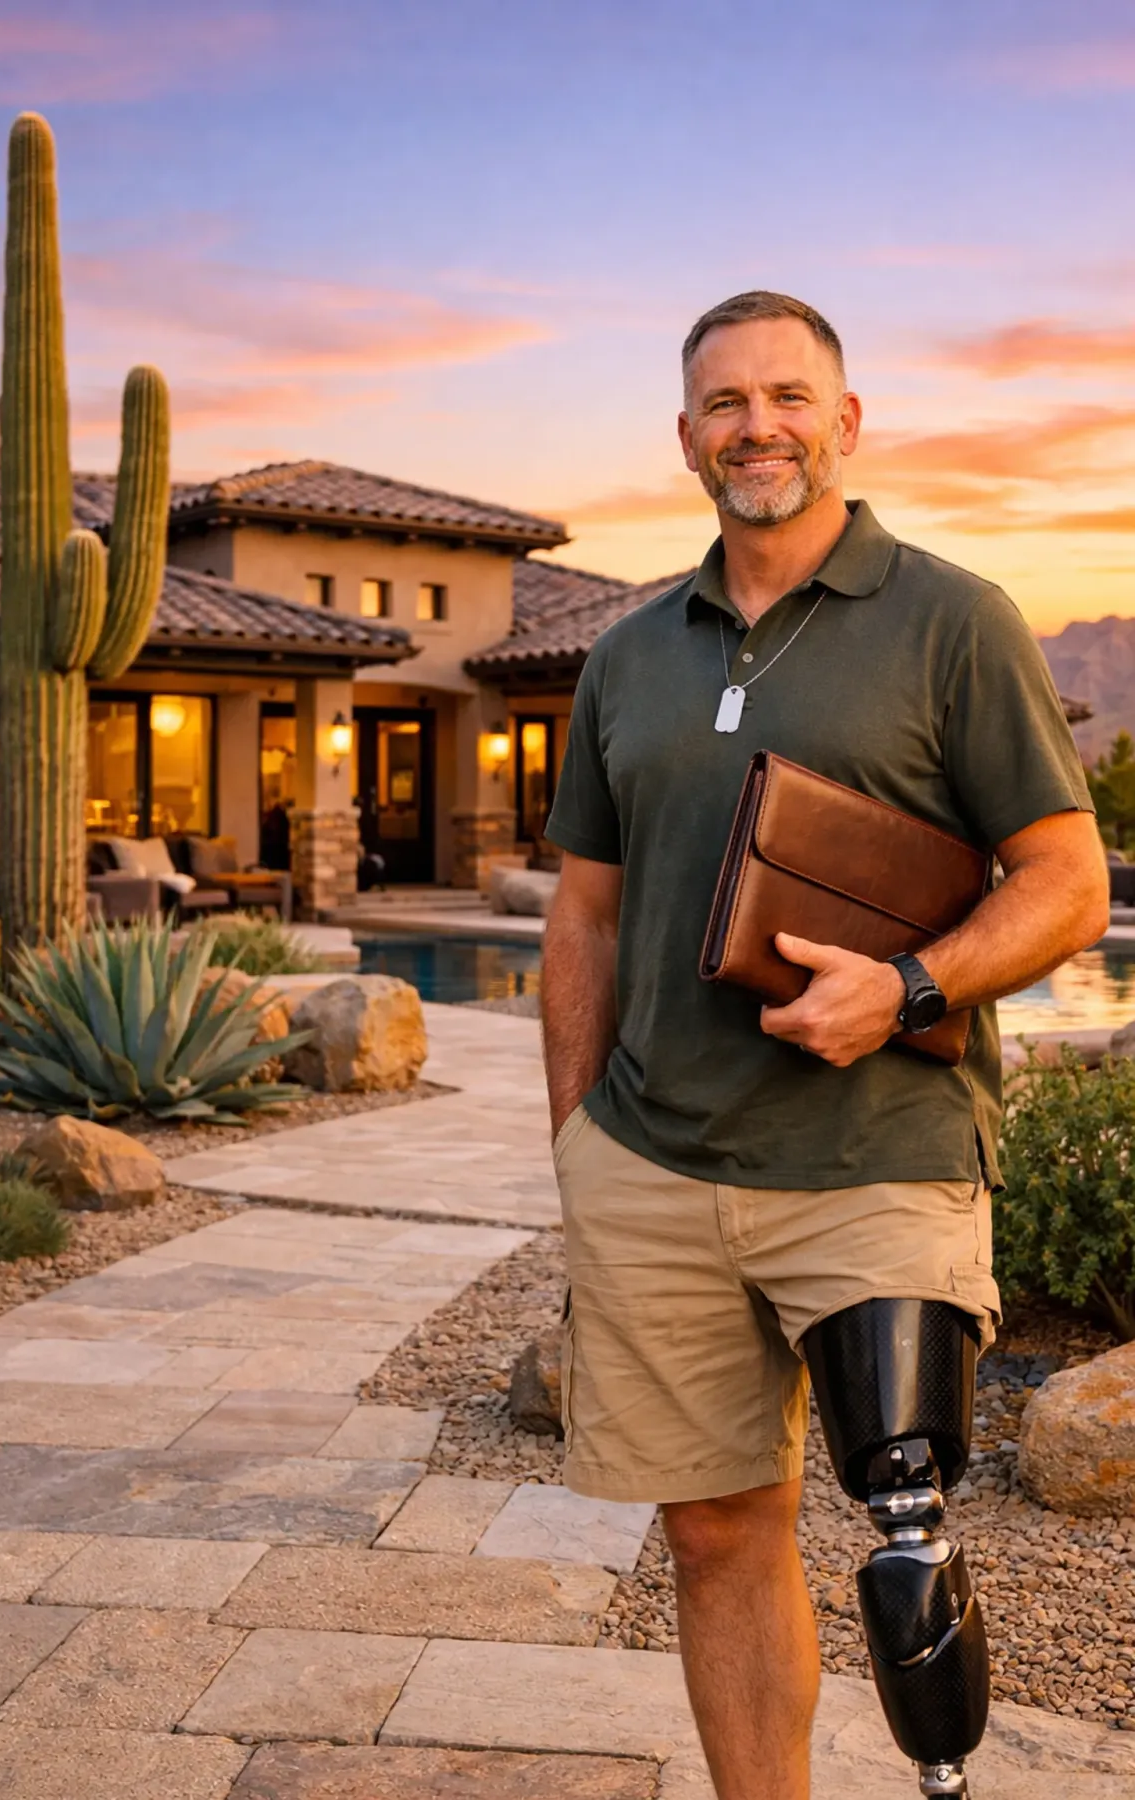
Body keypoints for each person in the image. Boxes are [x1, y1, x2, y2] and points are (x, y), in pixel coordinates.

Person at [540, 290, 1109, 1800]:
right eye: (724, 404)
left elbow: (1068, 878)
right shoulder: (627, 653)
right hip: (655, 1167)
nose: (757, 427)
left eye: (789, 397)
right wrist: (576, 1144)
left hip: (876, 1158)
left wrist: (910, 987)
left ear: (845, 421)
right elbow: (582, 917)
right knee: (718, 1534)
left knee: (905, 1533)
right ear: (684, 440)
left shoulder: (952, 619)